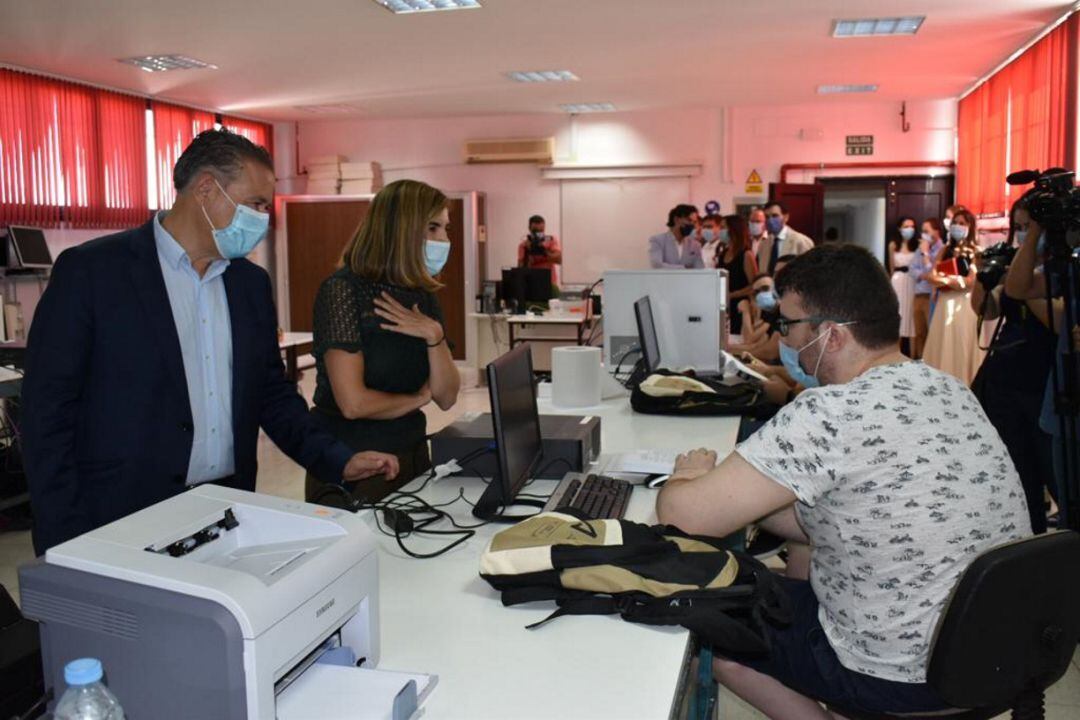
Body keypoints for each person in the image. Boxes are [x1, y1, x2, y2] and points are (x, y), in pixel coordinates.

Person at [657, 244, 1030, 719]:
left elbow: (683, 518)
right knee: (777, 588)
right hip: (992, 654)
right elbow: (848, 514)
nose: (784, 338)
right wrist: (746, 498)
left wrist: (689, 474)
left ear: (830, 335)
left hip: (894, 675)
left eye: (788, 325)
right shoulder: (949, 388)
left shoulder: (829, 412)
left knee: (714, 620)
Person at [21, 129, 399, 555]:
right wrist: (62, 536)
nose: (263, 219)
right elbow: (47, 412)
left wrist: (337, 458)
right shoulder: (93, 272)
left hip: (224, 508)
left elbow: (271, 394)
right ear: (205, 189)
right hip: (119, 514)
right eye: (256, 203)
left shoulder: (249, 284)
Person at [307, 180, 461, 504]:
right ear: (401, 229)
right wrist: (418, 398)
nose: (444, 240)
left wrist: (435, 336)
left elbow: (446, 396)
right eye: (433, 228)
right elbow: (354, 404)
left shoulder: (422, 295)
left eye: (445, 229)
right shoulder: (343, 291)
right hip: (354, 464)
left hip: (412, 455)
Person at [970, 199, 1056, 533]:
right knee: (1018, 471)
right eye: (1019, 227)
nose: (1024, 234)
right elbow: (987, 310)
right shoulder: (1017, 264)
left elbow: (1055, 321)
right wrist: (984, 276)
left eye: (1031, 227)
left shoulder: (1059, 269)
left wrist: (1020, 281)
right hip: (1004, 378)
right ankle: (1029, 536)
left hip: (1045, 380)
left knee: (1051, 467)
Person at [922, 208, 985, 386]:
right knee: (943, 342)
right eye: (955, 223)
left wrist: (946, 279)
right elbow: (931, 276)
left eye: (962, 223)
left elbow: (971, 282)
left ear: (970, 226)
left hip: (965, 303)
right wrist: (952, 281)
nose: (957, 226)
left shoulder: (976, 251)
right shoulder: (944, 250)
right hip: (944, 302)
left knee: (961, 342)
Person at [909, 217, 945, 359]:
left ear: (936, 231)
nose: (923, 234)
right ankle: (920, 362)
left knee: (932, 333)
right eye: (922, 231)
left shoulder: (942, 250)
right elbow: (912, 270)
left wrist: (925, 255)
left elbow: (933, 274)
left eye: (926, 231)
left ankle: (932, 362)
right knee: (920, 333)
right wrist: (924, 275)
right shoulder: (920, 249)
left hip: (932, 297)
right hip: (918, 295)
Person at [717, 214, 758, 334]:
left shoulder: (746, 254)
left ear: (733, 229)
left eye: (723, 228)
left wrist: (732, 295)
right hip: (724, 306)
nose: (720, 231)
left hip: (741, 306)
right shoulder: (723, 253)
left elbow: (754, 285)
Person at [756, 201, 814, 276]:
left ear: (786, 217)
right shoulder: (763, 245)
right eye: (767, 217)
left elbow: (809, 273)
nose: (770, 220)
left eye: (775, 216)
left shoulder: (801, 241)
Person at [888, 217, 918, 353]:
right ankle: (896, 353)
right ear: (900, 228)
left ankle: (913, 354)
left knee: (912, 315)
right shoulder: (893, 245)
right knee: (899, 313)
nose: (909, 229)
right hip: (898, 280)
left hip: (912, 281)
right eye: (906, 226)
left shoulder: (917, 245)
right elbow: (891, 268)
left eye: (912, 226)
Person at [649, 204, 704, 269]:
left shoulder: (695, 245)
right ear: (676, 219)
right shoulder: (658, 240)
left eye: (694, 222)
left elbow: (699, 269)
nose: (692, 225)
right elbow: (657, 265)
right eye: (689, 220)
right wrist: (684, 268)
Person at [517, 214, 563, 288]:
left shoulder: (550, 240)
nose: (538, 234)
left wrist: (544, 251)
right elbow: (521, 270)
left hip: (549, 283)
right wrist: (527, 252)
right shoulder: (523, 245)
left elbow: (559, 260)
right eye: (535, 231)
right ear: (529, 229)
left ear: (544, 229)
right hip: (532, 284)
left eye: (541, 231)